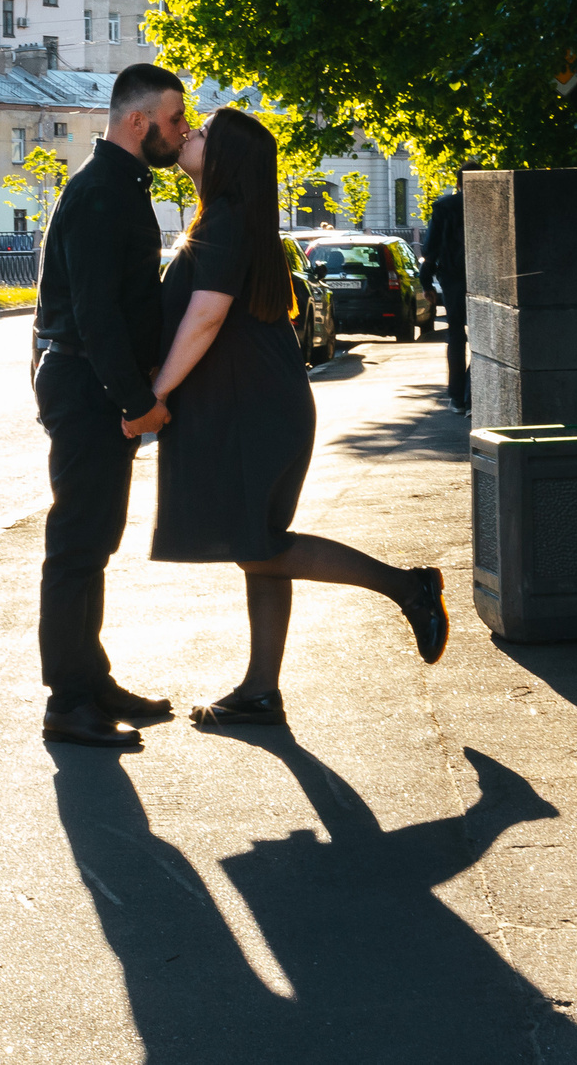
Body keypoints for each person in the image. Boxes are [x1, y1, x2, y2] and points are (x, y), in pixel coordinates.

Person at [144, 107, 451, 727]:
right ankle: (260, 690)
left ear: (226, 158)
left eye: (202, 132)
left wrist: (153, 395)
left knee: (257, 547)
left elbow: (204, 319)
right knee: (260, 545)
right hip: (256, 406)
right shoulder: (230, 221)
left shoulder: (227, 223)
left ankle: (408, 588)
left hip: (252, 411)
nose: (190, 135)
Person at [32, 63, 192, 751]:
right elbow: (94, 313)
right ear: (138, 121)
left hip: (92, 386)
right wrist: (137, 402)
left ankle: (91, 678)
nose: (181, 132)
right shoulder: (100, 192)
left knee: (95, 539)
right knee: (76, 543)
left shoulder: (119, 186)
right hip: (88, 387)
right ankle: (68, 701)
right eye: (175, 120)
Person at [418, 182, 468, 412]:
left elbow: (430, 250)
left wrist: (426, 282)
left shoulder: (444, 207)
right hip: (483, 277)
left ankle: (457, 396)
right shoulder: (490, 200)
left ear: (458, 183)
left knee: (456, 337)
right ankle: (470, 391)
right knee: (486, 340)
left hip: (452, 278)